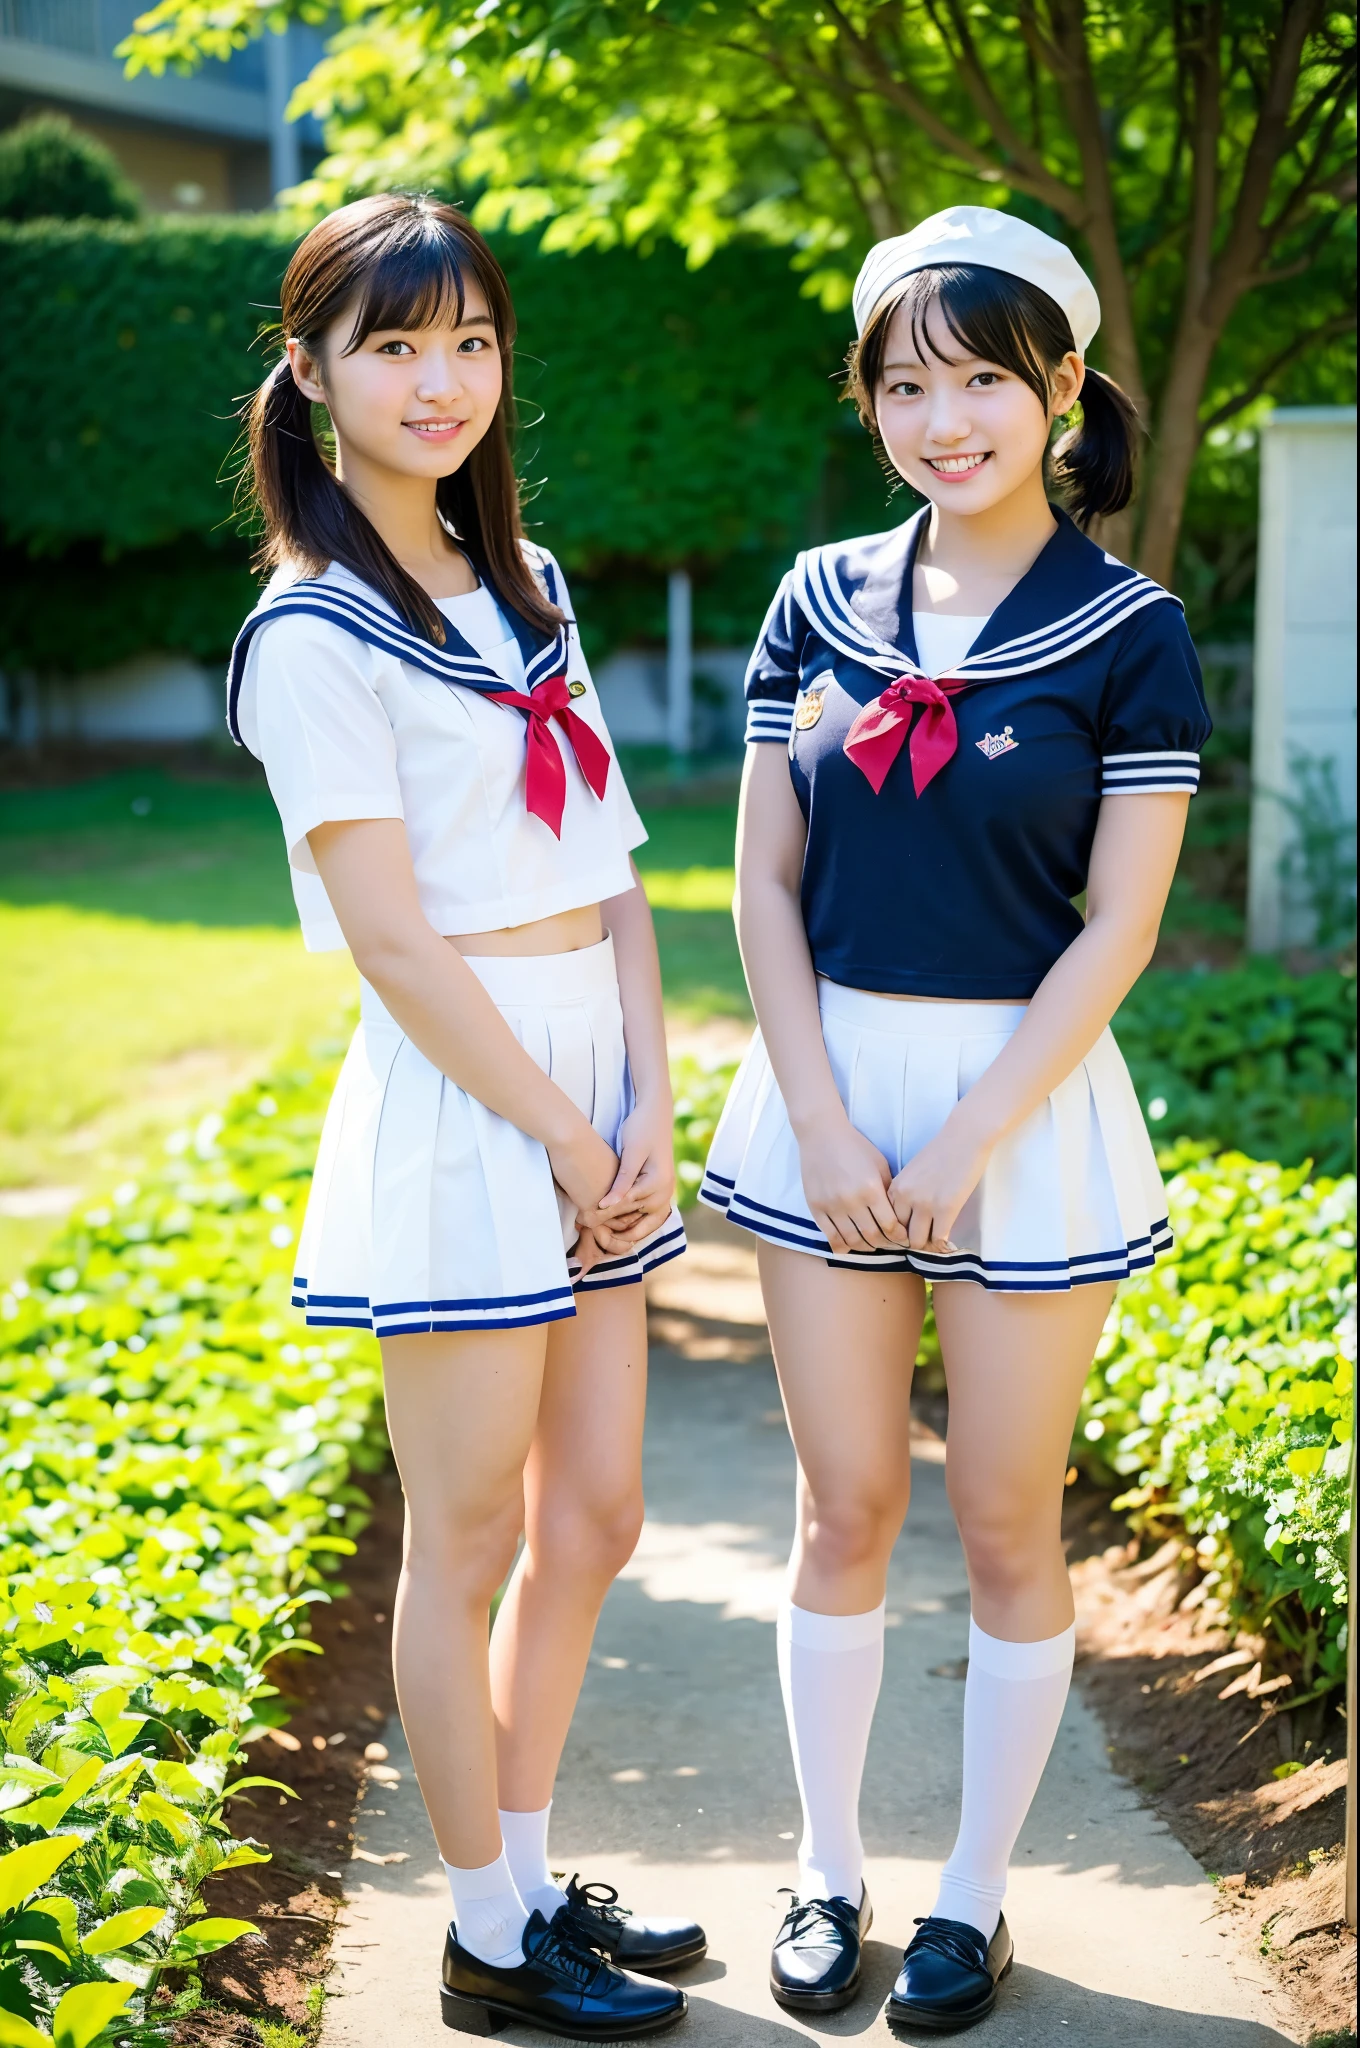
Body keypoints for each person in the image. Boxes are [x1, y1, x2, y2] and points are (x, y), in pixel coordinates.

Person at [701, 206, 1209, 2033]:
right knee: (842, 1508)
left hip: (1029, 1104)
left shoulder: (1127, 630)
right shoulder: (812, 599)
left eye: (984, 378)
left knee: (1003, 1520)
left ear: (1063, 386)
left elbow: (1124, 924)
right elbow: (763, 880)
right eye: (907, 384)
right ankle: (829, 1869)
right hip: (827, 1090)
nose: (945, 420)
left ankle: (974, 1898)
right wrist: (831, 1130)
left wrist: (968, 1138)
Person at [229, 193, 702, 2039]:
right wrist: (572, 1139)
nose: (442, 382)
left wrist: (647, 1101)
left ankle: (520, 1868)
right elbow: (398, 949)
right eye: (396, 345)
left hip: (593, 1082)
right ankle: (490, 1937)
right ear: (316, 370)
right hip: (464, 1105)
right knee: (473, 1534)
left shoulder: (536, 587)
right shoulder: (314, 633)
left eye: (472, 342)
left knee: (597, 1512)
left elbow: (616, 876)